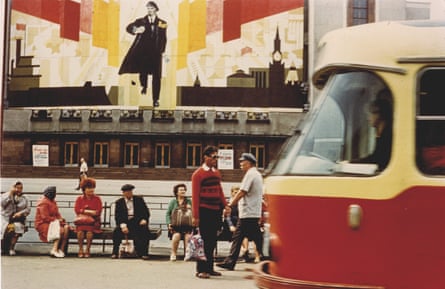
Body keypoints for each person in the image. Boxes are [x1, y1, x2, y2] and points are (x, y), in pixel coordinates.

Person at [217, 152, 264, 271]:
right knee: (255, 238)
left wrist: (230, 204)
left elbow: (242, 191)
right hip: (252, 212)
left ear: (248, 163)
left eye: (242, 162)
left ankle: (231, 261)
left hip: (248, 212)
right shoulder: (257, 174)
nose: (240, 164)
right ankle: (266, 258)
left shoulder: (250, 174)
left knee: (239, 237)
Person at [118, 1, 167, 107]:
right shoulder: (141, 21)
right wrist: (136, 30)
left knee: (157, 76)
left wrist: (162, 52)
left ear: (156, 10)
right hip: (144, 52)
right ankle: (144, 86)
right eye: (148, 8)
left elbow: (164, 38)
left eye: (151, 8)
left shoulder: (162, 22)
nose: (149, 10)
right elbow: (129, 27)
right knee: (143, 71)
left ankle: (156, 99)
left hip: (156, 53)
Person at [191, 145, 230, 279]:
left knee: (212, 240)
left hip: (216, 211)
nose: (215, 160)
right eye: (214, 157)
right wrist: (196, 216)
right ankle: (201, 269)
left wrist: (226, 205)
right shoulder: (198, 174)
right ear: (206, 157)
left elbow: (220, 191)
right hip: (204, 211)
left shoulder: (216, 173)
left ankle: (210, 267)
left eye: (217, 157)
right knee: (204, 241)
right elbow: (195, 196)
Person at [356, 89, 393, 171]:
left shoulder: (388, 136)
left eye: (370, 114)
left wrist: (352, 163)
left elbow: (377, 159)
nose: (368, 118)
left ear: (379, 114)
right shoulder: (381, 134)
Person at [111, 184, 151, 260]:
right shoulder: (119, 202)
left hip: (137, 221)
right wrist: (123, 225)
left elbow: (146, 212)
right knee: (116, 231)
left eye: (130, 191)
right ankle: (114, 252)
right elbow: (117, 216)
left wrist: (144, 219)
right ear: (123, 193)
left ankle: (144, 253)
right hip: (125, 222)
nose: (129, 193)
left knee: (144, 230)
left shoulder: (139, 200)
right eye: (127, 192)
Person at [34, 186, 70, 258]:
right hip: (43, 223)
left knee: (66, 228)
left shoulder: (53, 202)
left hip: (53, 222)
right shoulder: (43, 202)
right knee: (60, 230)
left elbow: (57, 214)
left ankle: (61, 250)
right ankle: (54, 249)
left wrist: (61, 220)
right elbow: (45, 217)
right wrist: (57, 220)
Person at [74, 177, 103, 258]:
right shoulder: (79, 199)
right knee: (80, 231)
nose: (91, 190)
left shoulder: (97, 199)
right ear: (84, 189)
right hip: (82, 221)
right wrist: (89, 212)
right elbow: (77, 210)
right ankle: (80, 249)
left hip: (94, 222)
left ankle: (87, 249)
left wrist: (83, 211)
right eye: (89, 188)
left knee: (89, 232)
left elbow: (98, 212)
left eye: (93, 188)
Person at [1, 181, 31, 256]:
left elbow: (28, 209)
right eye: (16, 188)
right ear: (12, 187)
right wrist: (10, 194)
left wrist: (20, 213)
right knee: (1, 228)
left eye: (20, 188)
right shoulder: (5, 195)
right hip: (5, 218)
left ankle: (11, 248)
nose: (18, 190)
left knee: (17, 227)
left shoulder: (25, 198)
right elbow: (2, 204)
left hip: (17, 219)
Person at [165, 183, 192, 261]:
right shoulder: (173, 202)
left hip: (187, 225)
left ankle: (187, 254)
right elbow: (168, 213)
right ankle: (173, 253)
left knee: (188, 236)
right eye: (181, 190)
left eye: (184, 190)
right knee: (176, 236)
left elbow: (194, 212)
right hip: (176, 225)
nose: (183, 191)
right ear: (176, 192)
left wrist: (190, 208)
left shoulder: (189, 201)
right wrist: (169, 223)